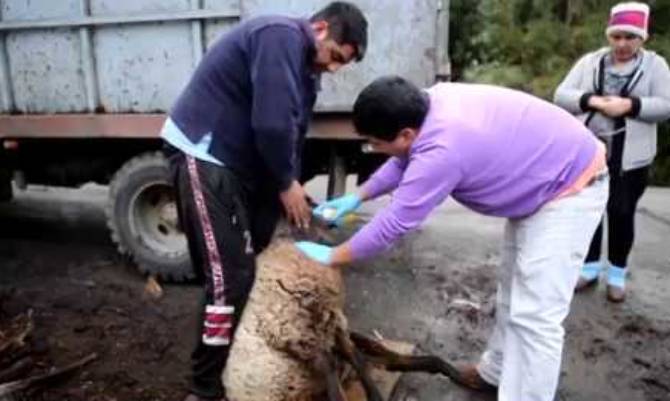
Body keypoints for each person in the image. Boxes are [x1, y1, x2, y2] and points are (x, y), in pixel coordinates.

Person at [296, 76, 608, 401]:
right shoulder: (426, 105)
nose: (373, 149)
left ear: (405, 133)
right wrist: (358, 196)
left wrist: (333, 256)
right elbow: (403, 158)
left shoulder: (444, 148)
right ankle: (497, 372)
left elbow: (394, 223)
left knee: (536, 314)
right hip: (542, 178)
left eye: (375, 142)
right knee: (513, 288)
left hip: (569, 187)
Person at [160, 3, 368, 400]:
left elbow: (289, 130)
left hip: (237, 163)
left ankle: (230, 345)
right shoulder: (280, 36)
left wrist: (290, 185)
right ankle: (203, 389)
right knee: (229, 277)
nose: (335, 68)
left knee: (252, 249)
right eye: (336, 57)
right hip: (203, 153)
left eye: (344, 64)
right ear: (320, 29)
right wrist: (285, 181)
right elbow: (271, 123)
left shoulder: (305, 68)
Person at [554, 1, 670, 302]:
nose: (621, 43)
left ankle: (617, 274)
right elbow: (561, 94)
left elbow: (666, 105)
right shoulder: (591, 62)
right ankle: (589, 268)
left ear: (642, 38)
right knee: (588, 211)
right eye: (616, 36)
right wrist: (591, 100)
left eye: (629, 37)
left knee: (621, 213)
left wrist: (631, 105)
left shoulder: (655, 66)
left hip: (630, 155)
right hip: (590, 151)